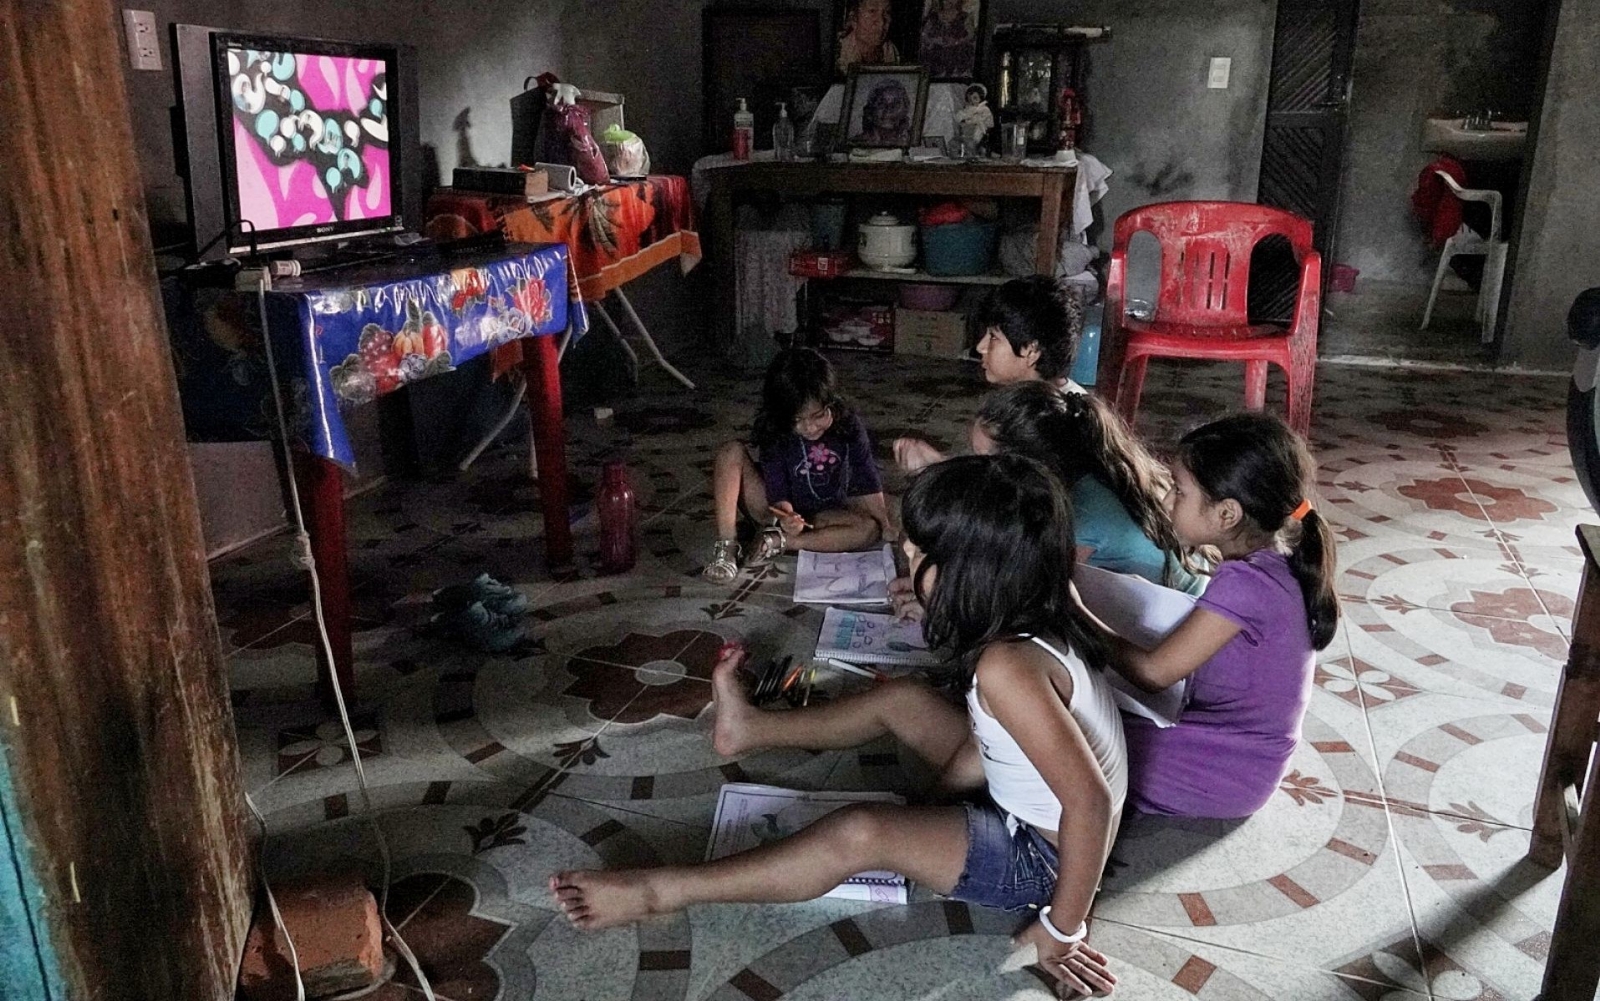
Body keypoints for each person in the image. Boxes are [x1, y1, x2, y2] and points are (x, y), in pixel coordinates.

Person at [551, 455, 1125, 998]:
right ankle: (749, 727)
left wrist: (1065, 925)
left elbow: (1089, 805)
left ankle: (659, 891)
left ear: (967, 575)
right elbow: (998, 742)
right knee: (901, 699)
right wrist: (937, 804)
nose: (904, 550)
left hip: (1044, 858)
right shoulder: (1041, 607)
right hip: (1039, 810)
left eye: (918, 550)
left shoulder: (1007, 667)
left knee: (861, 832)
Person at [1093, 412, 1338, 818]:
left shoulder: (1248, 583)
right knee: (1072, 718)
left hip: (1225, 771)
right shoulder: (1276, 561)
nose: (1168, 500)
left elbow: (1153, 674)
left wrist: (1077, 612)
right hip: (1238, 758)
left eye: (1180, 491)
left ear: (1227, 514)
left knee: (1058, 743)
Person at [971, 383, 1204, 595]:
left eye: (986, 461)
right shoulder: (1090, 467)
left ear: (1032, 465)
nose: (979, 471)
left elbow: (1031, 590)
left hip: (1180, 619)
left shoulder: (1081, 518)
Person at [704, 348, 889, 583]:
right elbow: (776, 483)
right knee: (730, 452)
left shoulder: (849, 426)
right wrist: (786, 515)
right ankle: (727, 546)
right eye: (797, 420)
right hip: (772, 508)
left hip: (823, 515)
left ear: (831, 402)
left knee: (870, 529)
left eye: (818, 416)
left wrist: (885, 523)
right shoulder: (775, 429)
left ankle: (782, 543)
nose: (810, 428)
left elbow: (866, 477)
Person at [895, 275, 1085, 473]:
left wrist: (935, 470)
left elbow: (1010, 495)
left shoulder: (1049, 424)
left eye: (993, 337)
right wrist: (940, 465)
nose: (980, 346)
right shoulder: (1030, 401)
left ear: (1031, 350)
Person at [836, 0, 900, 74]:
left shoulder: (891, 51)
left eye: (887, 12)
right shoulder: (837, 55)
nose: (881, 22)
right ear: (854, 18)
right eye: (872, 11)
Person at [921, 0, 977, 79]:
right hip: (935, 60)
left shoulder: (965, 17)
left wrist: (957, 42)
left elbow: (971, 37)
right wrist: (934, 41)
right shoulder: (933, 17)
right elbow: (924, 35)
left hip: (956, 63)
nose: (948, 1)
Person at [855, 80, 914, 146]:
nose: (888, 110)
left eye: (895, 105)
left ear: (905, 110)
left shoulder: (912, 141)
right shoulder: (858, 143)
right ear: (871, 111)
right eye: (881, 104)